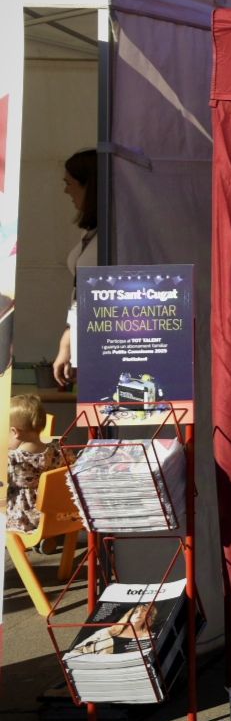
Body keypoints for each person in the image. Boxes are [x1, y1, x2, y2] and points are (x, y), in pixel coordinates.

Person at [52, 149, 98, 388]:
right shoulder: (91, 233)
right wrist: (69, 340)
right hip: (86, 336)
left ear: (88, 186)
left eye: (69, 183)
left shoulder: (114, 235)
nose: (66, 190)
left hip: (106, 341)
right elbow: (81, 296)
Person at [6, 393, 56, 533]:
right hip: (54, 517)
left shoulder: (12, 460)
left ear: (15, 432)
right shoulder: (57, 452)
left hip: (22, 521)